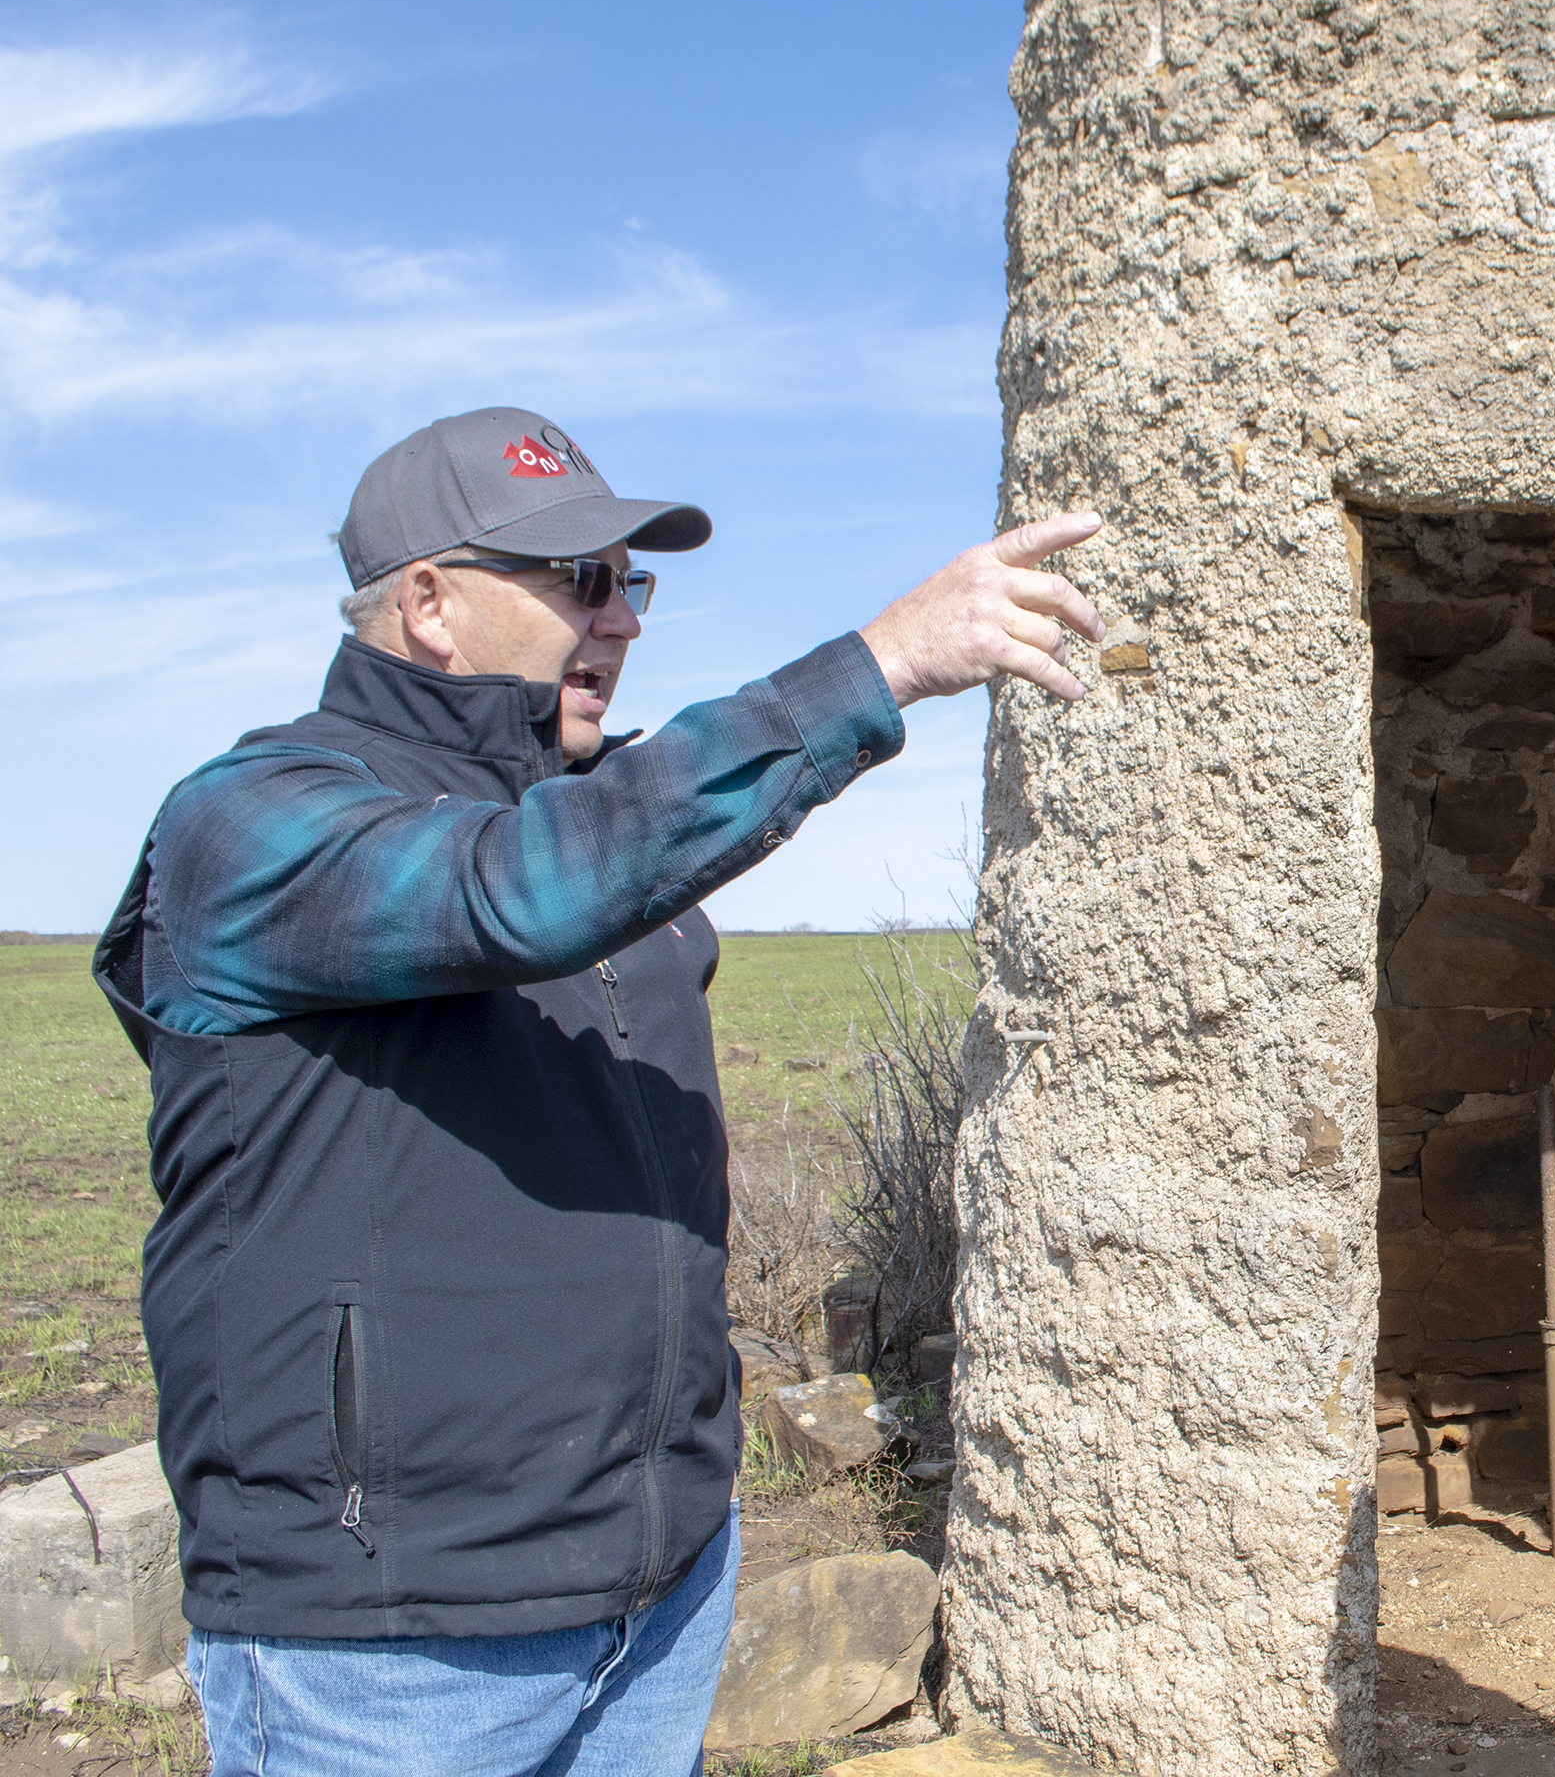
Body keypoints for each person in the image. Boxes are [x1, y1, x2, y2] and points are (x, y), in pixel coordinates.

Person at [92, 407, 1105, 1776]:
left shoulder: (604, 823)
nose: (621, 618)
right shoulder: (258, 824)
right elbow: (518, 890)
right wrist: (883, 664)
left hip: (660, 1590)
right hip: (394, 1647)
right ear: (430, 606)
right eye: (579, 579)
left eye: (631, 580)